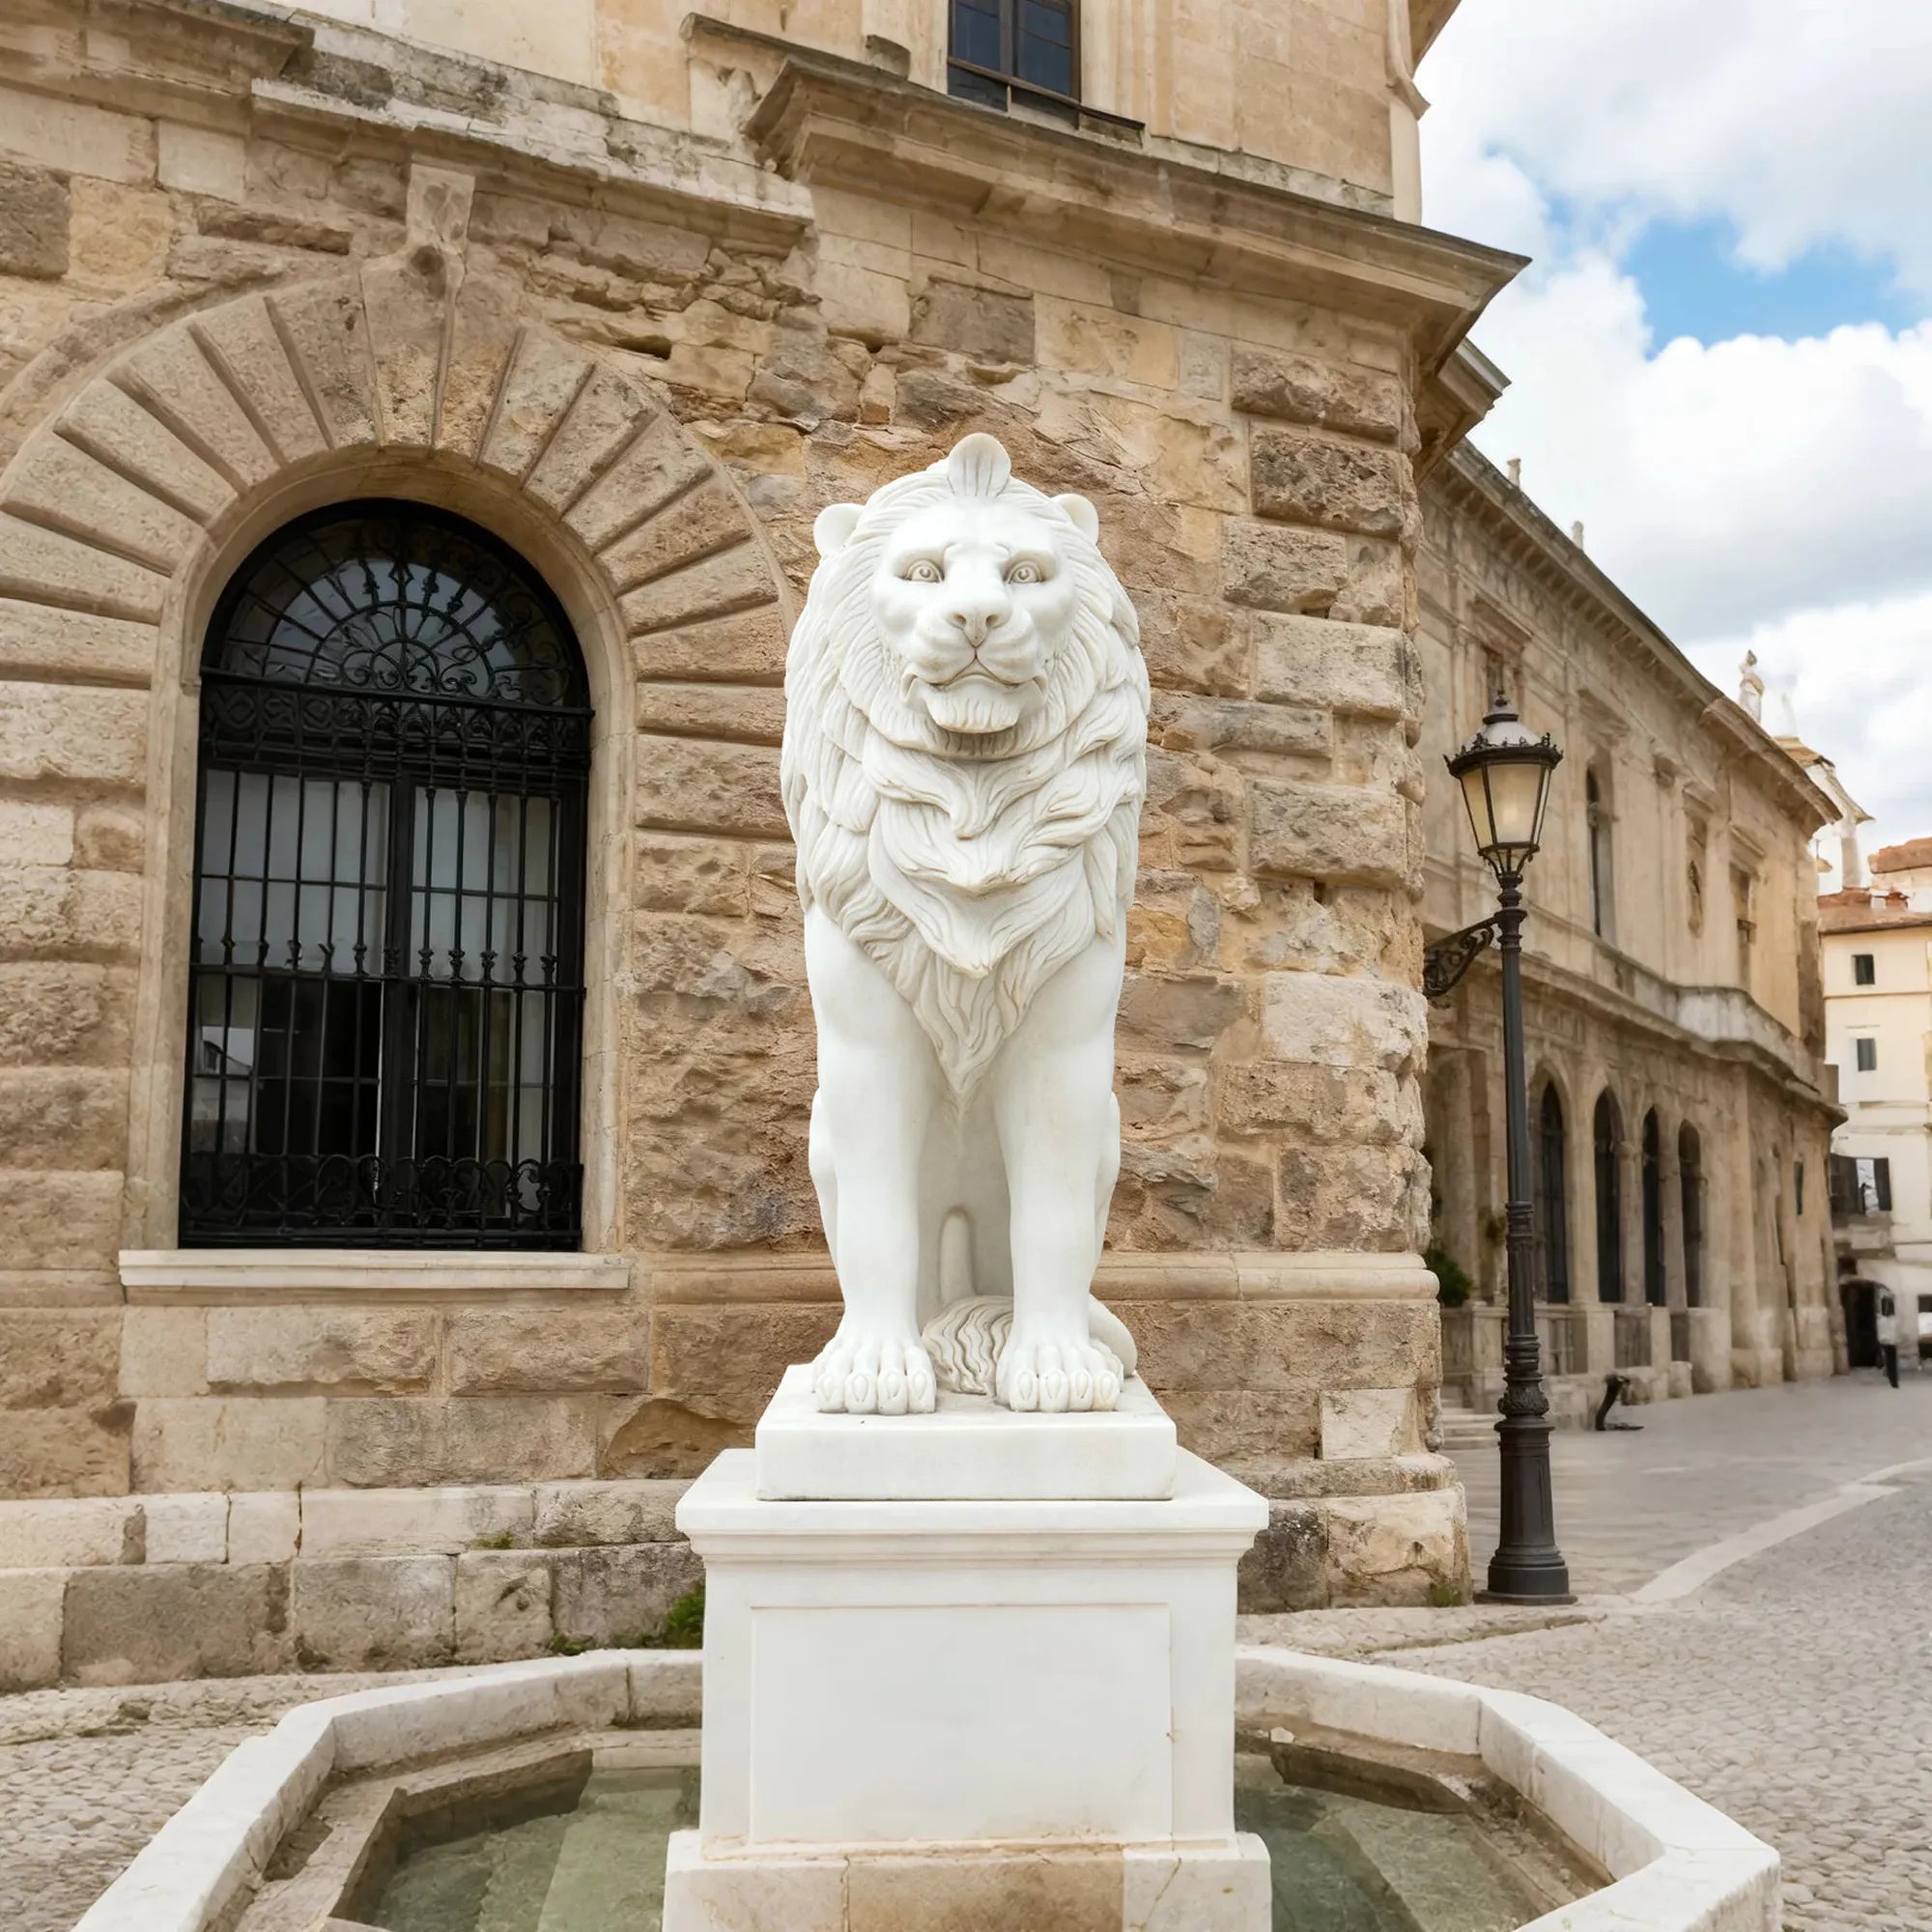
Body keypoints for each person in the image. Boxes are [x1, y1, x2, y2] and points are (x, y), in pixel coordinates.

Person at [1877, 1290, 1900, 1388]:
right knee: (1891, 1362)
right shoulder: (1888, 1320)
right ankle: (1893, 1380)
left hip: (1888, 1342)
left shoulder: (1883, 1320)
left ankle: (1892, 1378)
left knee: (1890, 1361)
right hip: (1889, 1342)